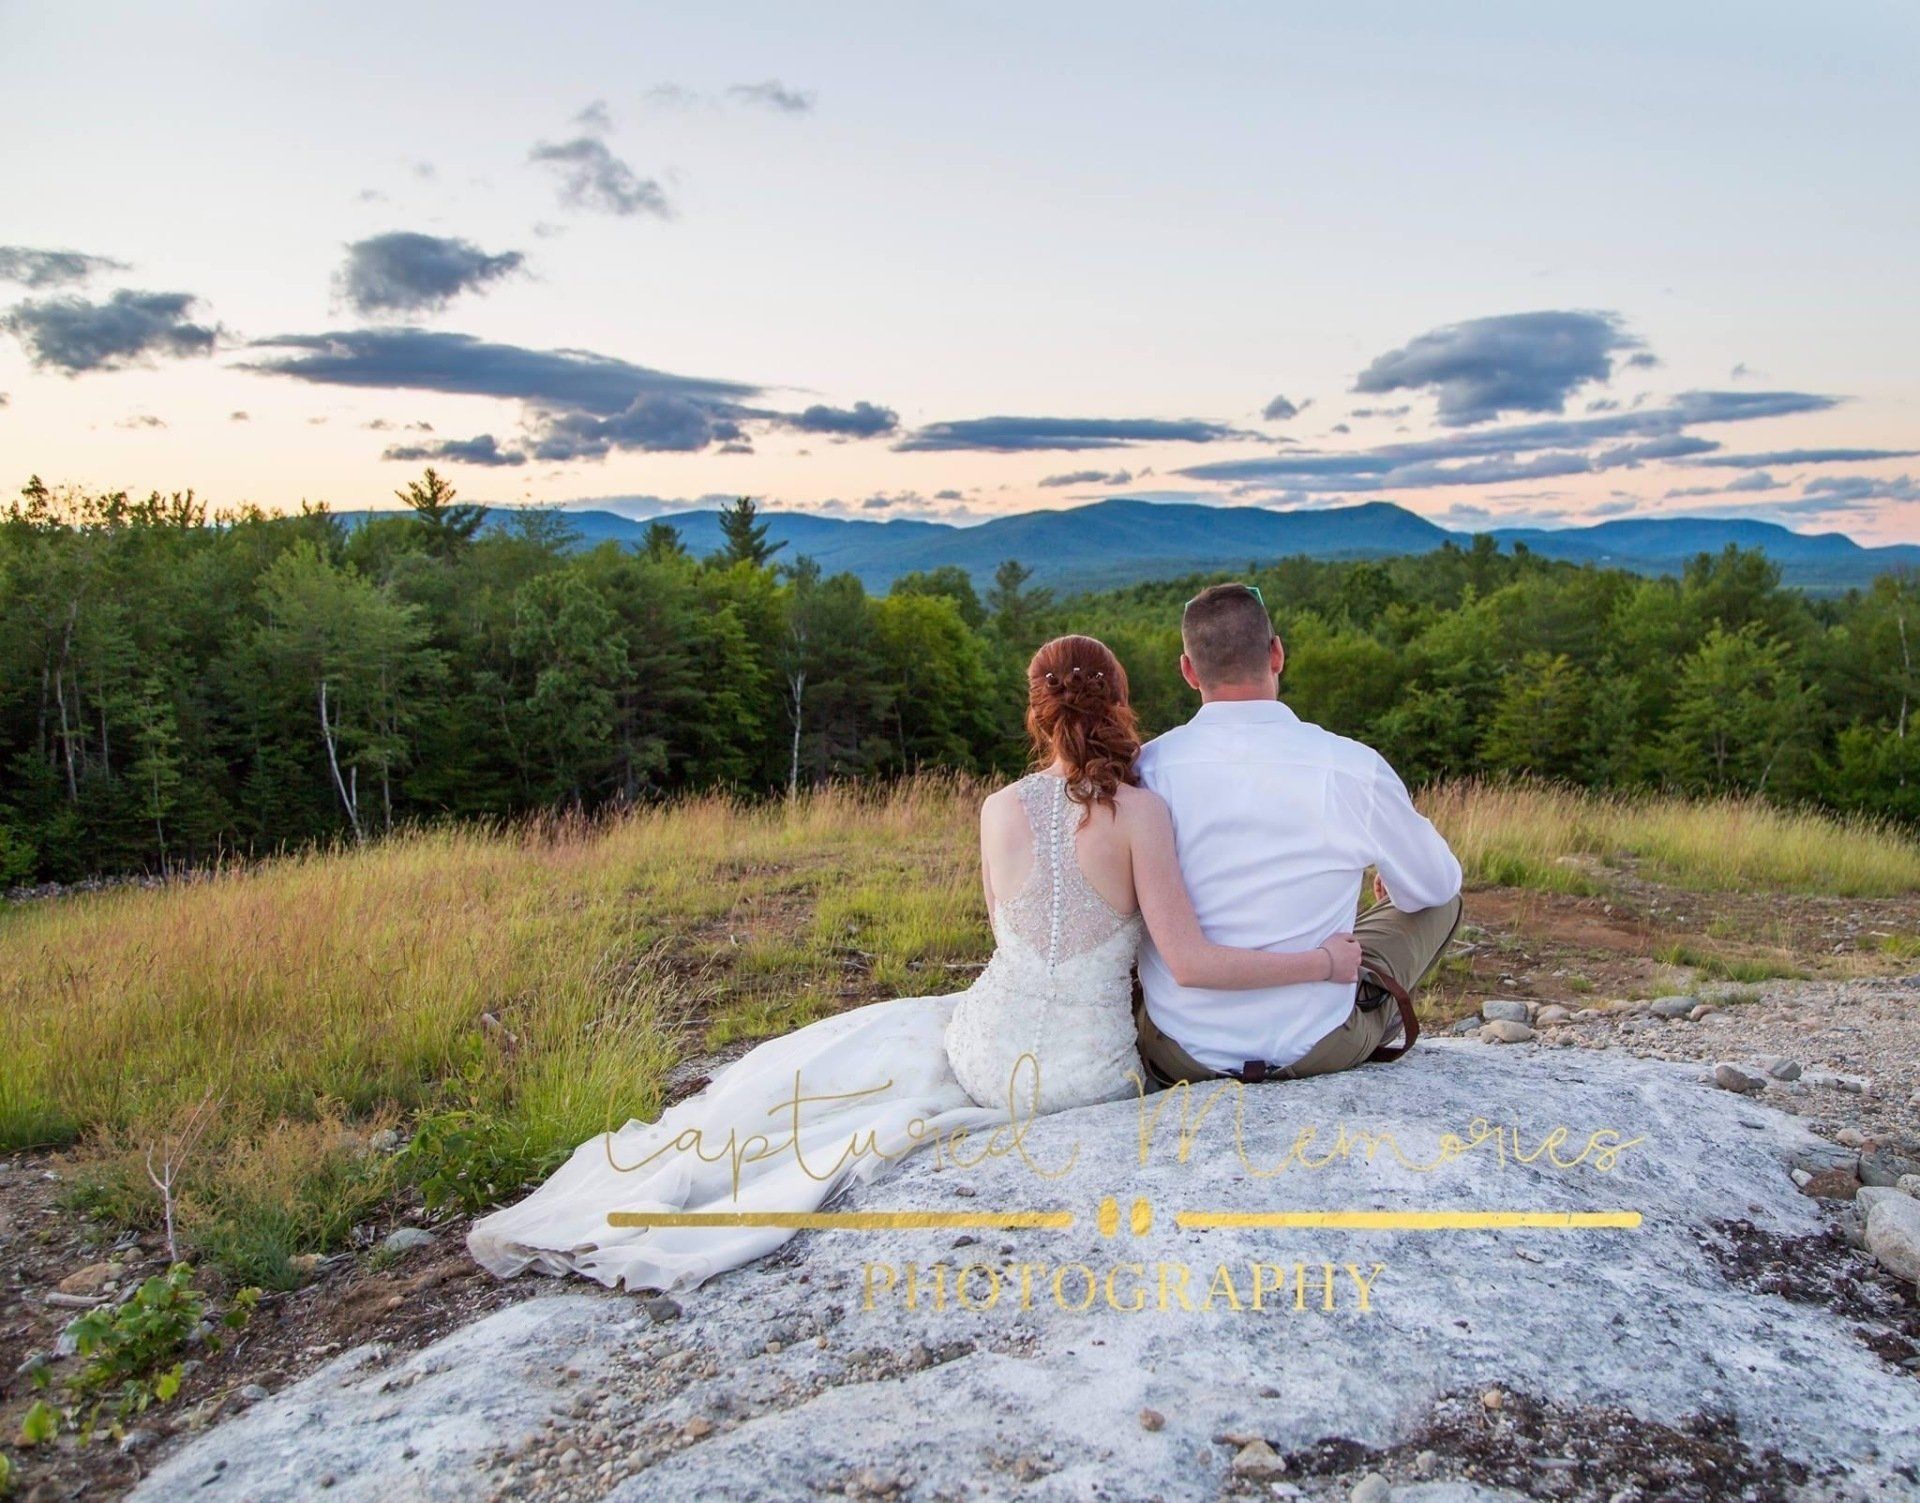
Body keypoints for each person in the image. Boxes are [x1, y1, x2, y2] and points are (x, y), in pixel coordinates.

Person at [469, 633, 1358, 1291]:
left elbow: (1018, 945)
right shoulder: (1141, 812)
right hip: (1088, 1079)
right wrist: (1323, 962)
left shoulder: (997, 808)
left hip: (988, 1058)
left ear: (1038, 707)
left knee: (874, 1048)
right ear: (1122, 701)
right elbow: (1191, 964)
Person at [1134, 583, 1463, 1087]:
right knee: (1445, 902)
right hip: (1318, 1047)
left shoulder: (1147, 769)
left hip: (1182, 1052)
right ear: (1277, 653)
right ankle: (1365, 1009)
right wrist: (1398, 885)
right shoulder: (1351, 766)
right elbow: (1436, 886)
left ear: (1188, 670)